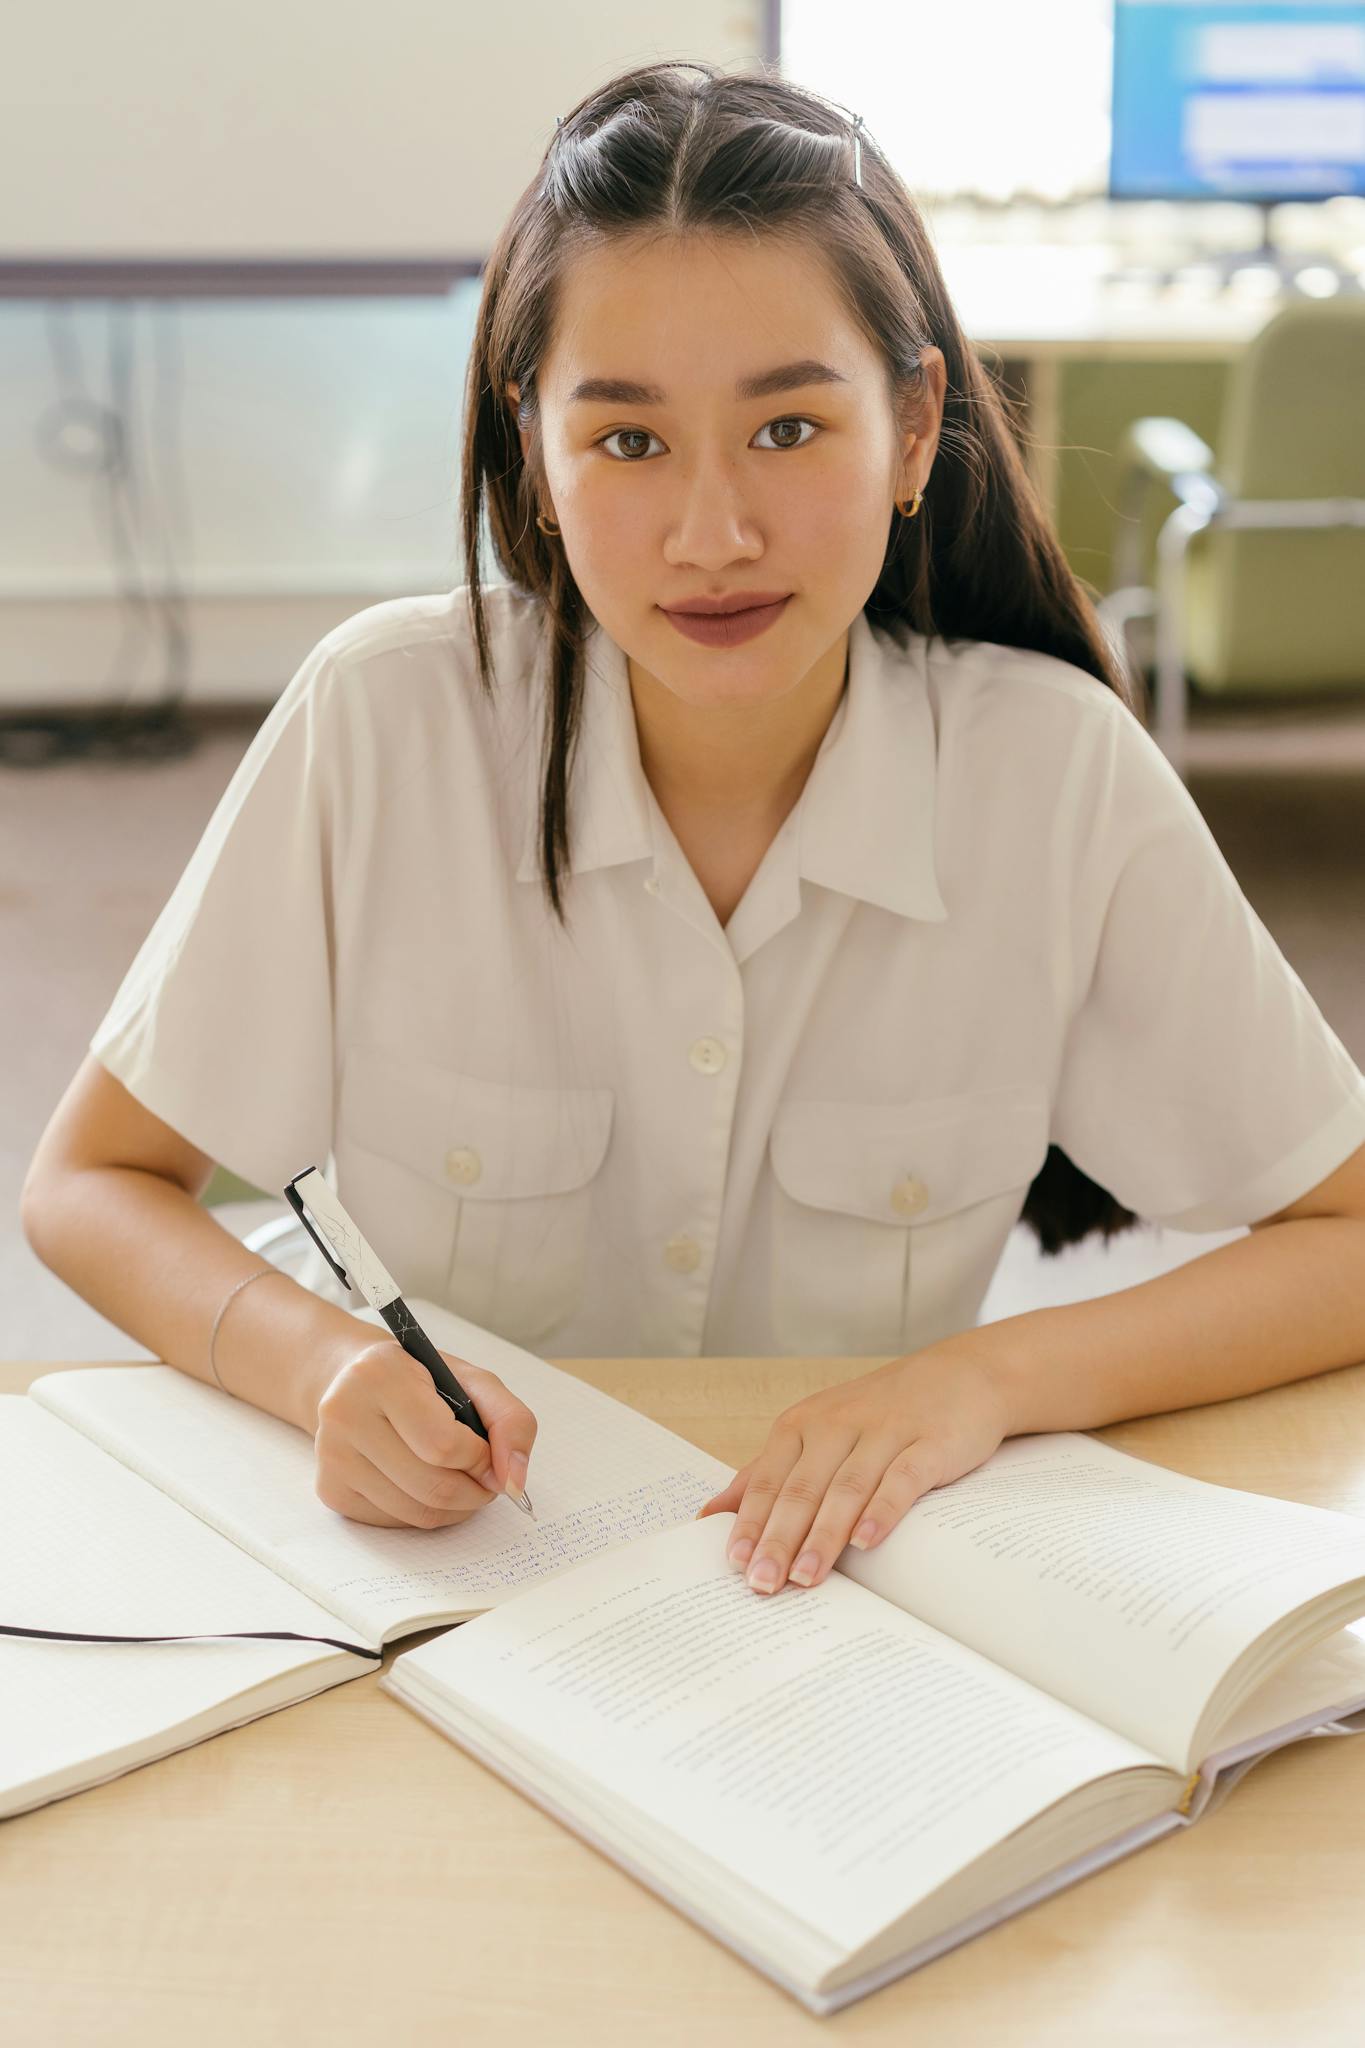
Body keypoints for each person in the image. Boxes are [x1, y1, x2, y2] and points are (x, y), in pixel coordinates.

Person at [23, 62, 1365, 1595]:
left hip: (823, 1598)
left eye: (787, 430)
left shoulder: (1049, 771)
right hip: (435, 1579)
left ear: (915, 425)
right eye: (628, 442)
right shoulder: (384, 719)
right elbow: (90, 1185)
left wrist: (980, 1379)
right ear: (532, 446)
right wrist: (320, 1369)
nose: (711, 535)